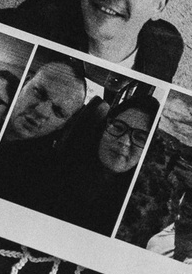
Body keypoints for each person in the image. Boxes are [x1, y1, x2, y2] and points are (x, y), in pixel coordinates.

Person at [0, 58, 91, 210]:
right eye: (39, 93)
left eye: (58, 111)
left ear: (63, 124)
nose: (41, 111)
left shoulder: (45, 180)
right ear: (25, 82)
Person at [48, 86, 158, 234]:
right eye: (118, 127)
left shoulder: (136, 214)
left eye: (140, 137)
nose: (124, 142)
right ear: (103, 129)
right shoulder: (56, 169)